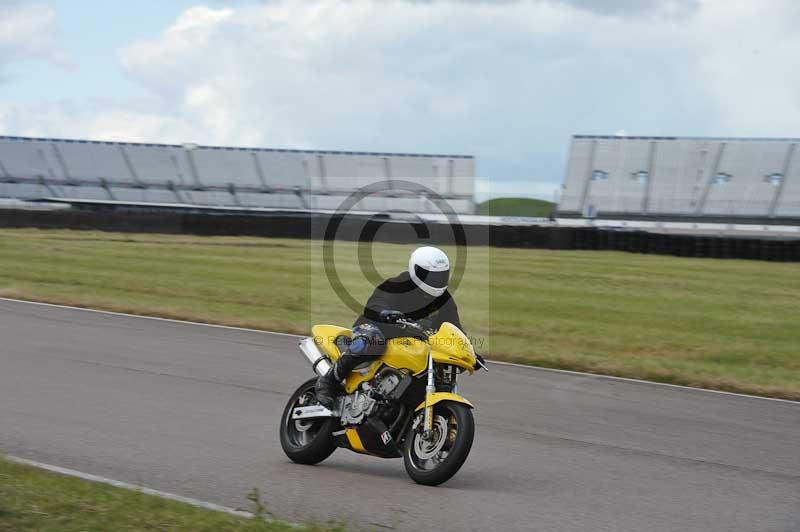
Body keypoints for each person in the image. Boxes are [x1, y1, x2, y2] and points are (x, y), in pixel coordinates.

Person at [315, 246, 464, 407]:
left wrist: (466, 350)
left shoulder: (444, 299)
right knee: (372, 341)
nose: (437, 281)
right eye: (432, 276)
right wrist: (385, 312)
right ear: (416, 271)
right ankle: (327, 383)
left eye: (441, 276)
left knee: (439, 365)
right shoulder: (399, 284)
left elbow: (454, 327)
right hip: (377, 328)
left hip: (411, 342)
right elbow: (375, 303)